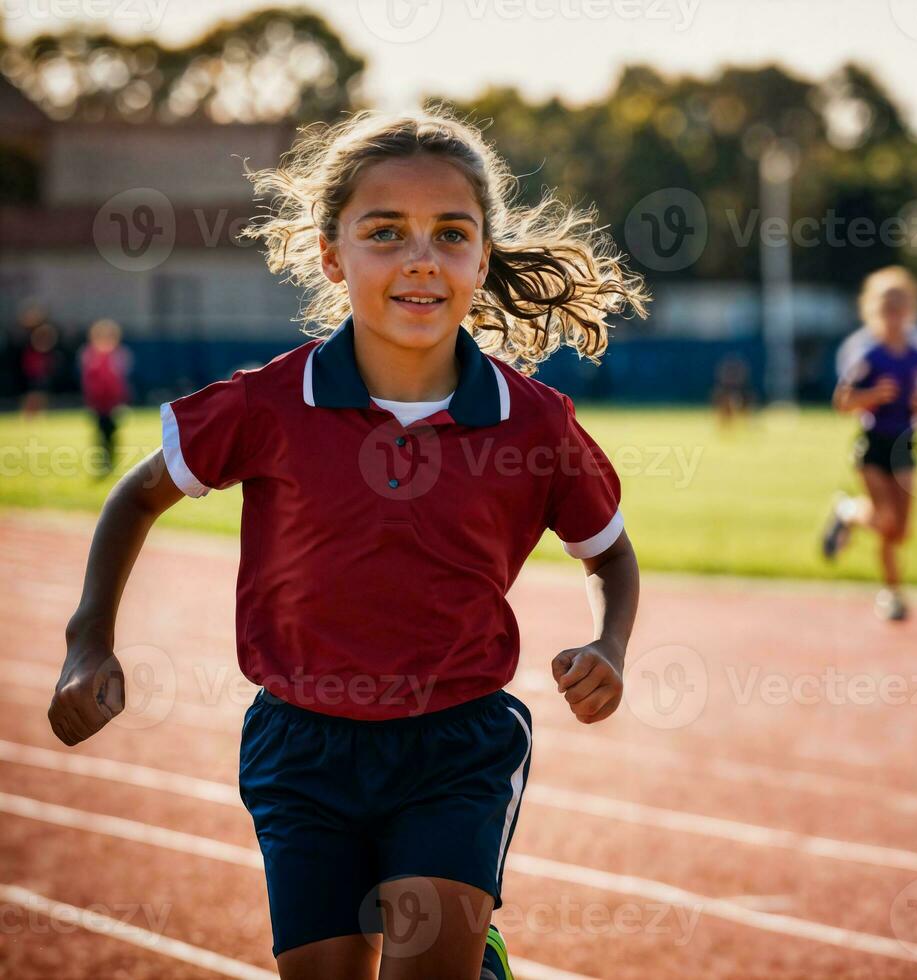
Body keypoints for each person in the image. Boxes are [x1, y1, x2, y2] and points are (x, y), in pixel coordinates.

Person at [48, 106, 649, 980]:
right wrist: (87, 641)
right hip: (301, 749)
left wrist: (612, 644)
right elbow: (137, 495)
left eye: (451, 234)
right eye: (385, 232)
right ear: (332, 255)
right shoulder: (269, 405)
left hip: (456, 745)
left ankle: (465, 953)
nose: (420, 258)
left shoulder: (535, 423)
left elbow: (610, 555)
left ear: (482, 258)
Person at [821, 266, 917, 621]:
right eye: (887, 306)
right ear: (873, 310)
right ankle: (893, 593)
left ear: (911, 308)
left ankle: (849, 512)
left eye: (900, 305)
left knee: (900, 530)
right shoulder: (867, 355)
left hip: (905, 445)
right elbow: (842, 401)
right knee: (885, 519)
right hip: (873, 445)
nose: (894, 314)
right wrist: (872, 394)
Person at [78, 318, 133, 476]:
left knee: (112, 432)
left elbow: (120, 381)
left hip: (112, 402)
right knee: (100, 432)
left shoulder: (118, 355)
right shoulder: (90, 355)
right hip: (98, 402)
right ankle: (102, 461)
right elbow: (88, 381)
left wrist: (121, 399)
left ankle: (110, 461)